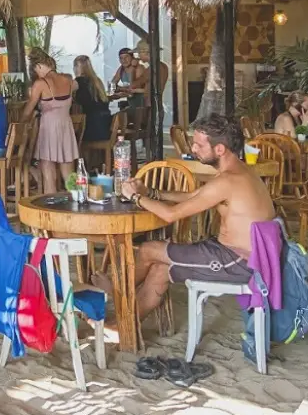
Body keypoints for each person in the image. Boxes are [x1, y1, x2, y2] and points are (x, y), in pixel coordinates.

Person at [94, 114, 276, 317]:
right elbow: (193, 196)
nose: (193, 149)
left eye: (199, 145)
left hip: (237, 261)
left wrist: (135, 197)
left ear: (220, 149)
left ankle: (115, 291)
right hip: (239, 255)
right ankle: (125, 326)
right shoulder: (240, 171)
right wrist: (151, 193)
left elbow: (171, 215)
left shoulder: (227, 181)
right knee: (159, 271)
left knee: (148, 250)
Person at [21, 52, 79, 193]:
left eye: (36, 70)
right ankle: (79, 201)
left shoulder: (41, 83)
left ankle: (51, 208)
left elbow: (28, 110)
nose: (37, 74)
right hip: (66, 126)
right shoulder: (69, 81)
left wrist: (20, 124)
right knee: (70, 174)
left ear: (39, 66)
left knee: (49, 174)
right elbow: (76, 87)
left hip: (48, 129)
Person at [73, 55, 112, 144]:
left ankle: (81, 158)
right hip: (105, 126)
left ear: (76, 67)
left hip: (91, 127)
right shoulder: (98, 81)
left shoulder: (77, 82)